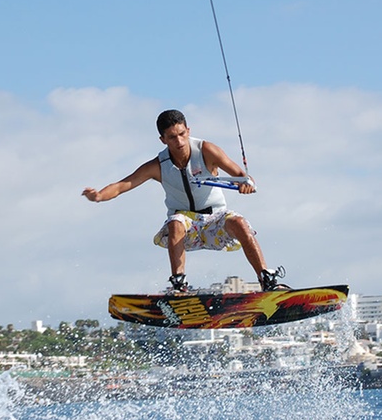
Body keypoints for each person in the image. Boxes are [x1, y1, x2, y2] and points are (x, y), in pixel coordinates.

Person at [82, 109, 288, 293]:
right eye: (172, 137)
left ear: (188, 130)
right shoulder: (158, 165)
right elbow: (122, 185)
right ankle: (179, 284)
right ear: (162, 139)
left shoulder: (206, 150)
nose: (179, 142)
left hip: (216, 220)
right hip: (186, 228)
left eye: (182, 134)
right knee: (175, 221)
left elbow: (242, 176)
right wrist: (99, 196)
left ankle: (266, 280)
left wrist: (246, 183)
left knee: (239, 222)